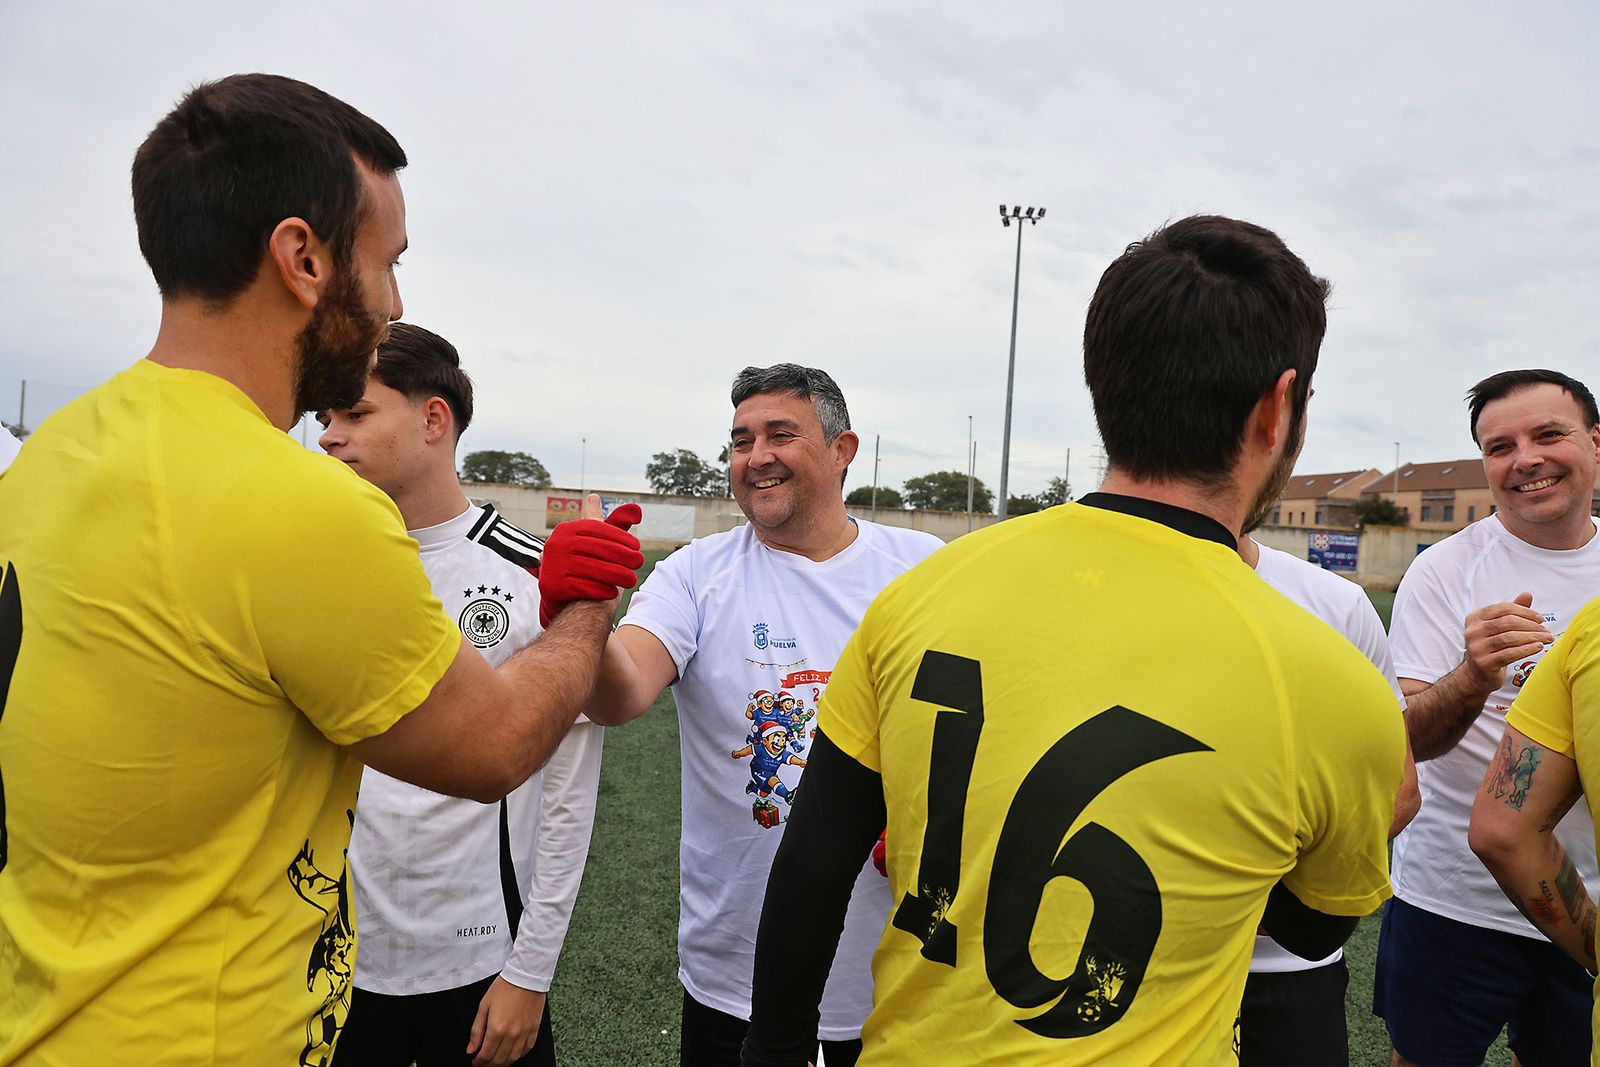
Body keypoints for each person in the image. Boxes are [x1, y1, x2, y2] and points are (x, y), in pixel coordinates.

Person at [0, 75, 638, 1066]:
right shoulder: (295, 502)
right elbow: (495, 747)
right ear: (302, 257)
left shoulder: (51, 455)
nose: (393, 303)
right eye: (386, 263)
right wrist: (582, 616)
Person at [740, 215, 1406, 1067]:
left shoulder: (921, 592)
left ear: (1104, 384)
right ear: (1279, 408)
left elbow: (810, 868)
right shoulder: (1329, 677)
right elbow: (1317, 920)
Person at [561, 364, 944, 1067]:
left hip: (898, 976)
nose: (755, 456)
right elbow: (618, 695)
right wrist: (581, 613)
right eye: (740, 440)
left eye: (779, 434)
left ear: (842, 449)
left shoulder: (925, 569)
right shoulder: (695, 574)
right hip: (736, 979)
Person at [316, 323, 606, 1067]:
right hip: (331, 965)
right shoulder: (313, 568)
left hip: (481, 969)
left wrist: (531, 972)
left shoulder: (536, 576)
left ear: (433, 420)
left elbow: (568, 795)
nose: (328, 436)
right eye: (322, 417)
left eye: (353, 412)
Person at [1375, 369, 1600, 1067]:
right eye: (1499, 446)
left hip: (1587, 898)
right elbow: (1405, 739)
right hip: (1455, 898)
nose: (1524, 458)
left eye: (1548, 434)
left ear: (1595, 442)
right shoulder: (1445, 571)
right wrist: (1473, 678)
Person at [1236, 532, 1420, 1067]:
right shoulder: (1095, 591)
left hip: (1288, 966)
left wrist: (1259, 906)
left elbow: (1399, 790)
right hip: (1132, 958)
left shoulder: (1333, 602)